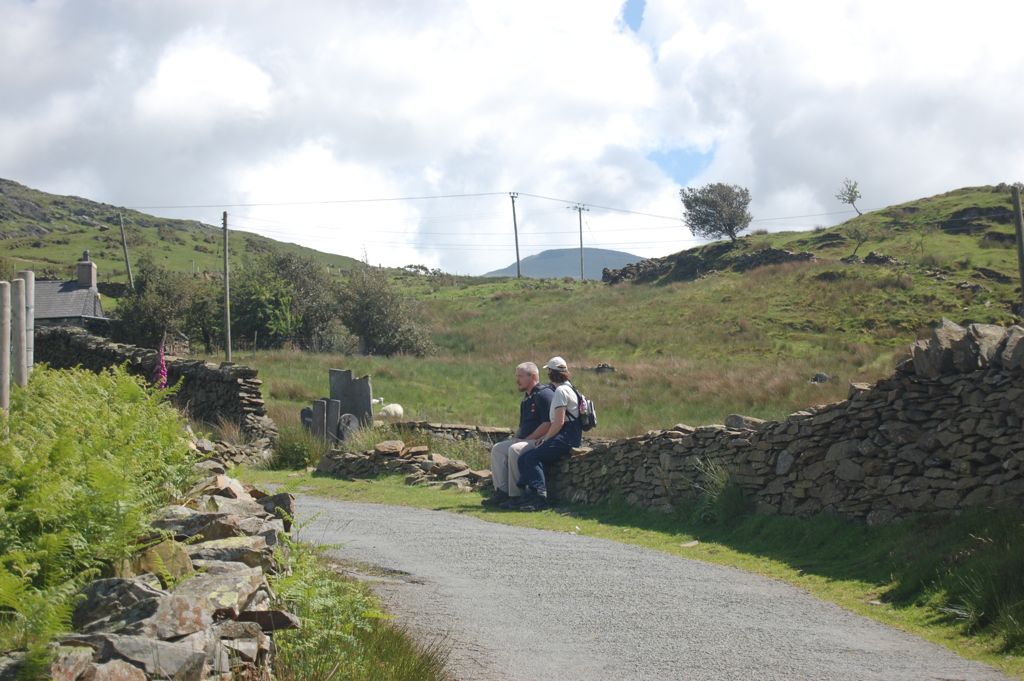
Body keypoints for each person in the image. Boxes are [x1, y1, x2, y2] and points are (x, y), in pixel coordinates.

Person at [507, 356, 582, 512]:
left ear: (551, 373)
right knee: (524, 458)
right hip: (570, 435)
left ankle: (540, 497)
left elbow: (559, 421)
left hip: (566, 436)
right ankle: (528, 496)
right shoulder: (570, 388)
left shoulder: (561, 391)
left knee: (533, 457)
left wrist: (545, 439)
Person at [482, 362, 554, 508]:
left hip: (540, 440)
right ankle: (501, 492)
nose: (517, 380)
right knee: (498, 449)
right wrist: (517, 437)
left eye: (520, 376)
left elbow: (547, 423)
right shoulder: (527, 399)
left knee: (515, 449)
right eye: (517, 376)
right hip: (526, 439)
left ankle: (516, 495)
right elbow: (523, 424)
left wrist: (527, 439)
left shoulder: (543, 394)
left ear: (532, 376)